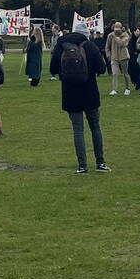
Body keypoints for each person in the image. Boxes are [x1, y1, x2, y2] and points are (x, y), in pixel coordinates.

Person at [50, 22, 110, 174]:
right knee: (95, 127)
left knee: (78, 129)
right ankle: (100, 162)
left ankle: (82, 165)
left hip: (70, 92)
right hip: (89, 91)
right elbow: (102, 68)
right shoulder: (90, 46)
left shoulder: (61, 46)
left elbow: (53, 69)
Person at [105, 22, 131, 96]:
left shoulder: (125, 35)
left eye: (118, 29)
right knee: (114, 73)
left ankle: (127, 88)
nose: (116, 31)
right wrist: (108, 55)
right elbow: (107, 46)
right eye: (115, 29)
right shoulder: (110, 35)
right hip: (114, 57)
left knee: (125, 73)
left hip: (124, 57)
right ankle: (114, 89)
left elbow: (122, 44)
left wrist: (116, 37)